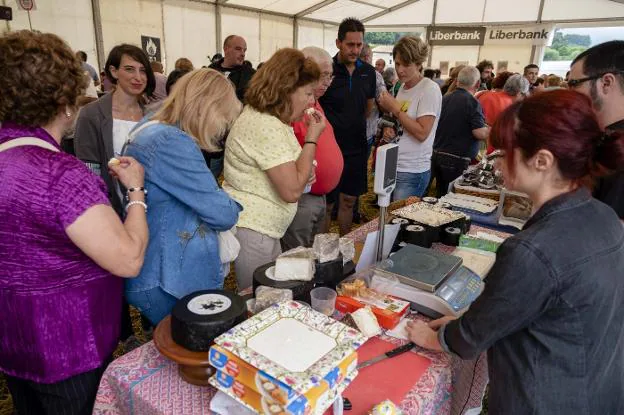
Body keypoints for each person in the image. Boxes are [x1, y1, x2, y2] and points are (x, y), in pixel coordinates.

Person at [406, 89, 624, 414]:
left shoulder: (532, 250)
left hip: (543, 398)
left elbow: (468, 339)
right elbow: (531, 306)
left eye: (506, 151)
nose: (496, 160)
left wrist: (431, 336)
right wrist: (467, 319)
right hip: (597, 388)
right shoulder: (602, 215)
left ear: (542, 161)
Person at [0, 30, 149, 415]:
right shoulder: (59, 174)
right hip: (67, 348)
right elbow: (128, 257)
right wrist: (135, 193)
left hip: (11, 338)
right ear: (66, 102)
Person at [123, 69, 242, 325]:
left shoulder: (149, 125)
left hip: (155, 264)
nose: (222, 127)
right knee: (185, 349)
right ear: (208, 109)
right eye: (223, 116)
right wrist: (231, 202)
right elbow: (222, 214)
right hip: (169, 276)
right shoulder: (172, 141)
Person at [223, 48, 324, 291]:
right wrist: (312, 139)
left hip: (266, 229)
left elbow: (293, 168)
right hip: (255, 231)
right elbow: (291, 191)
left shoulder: (275, 119)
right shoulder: (264, 124)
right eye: (308, 93)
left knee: (272, 292)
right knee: (261, 297)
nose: (311, 101)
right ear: (286, 89)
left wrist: (303, 171)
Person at [75, 44, 155, 216]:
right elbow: (89, 174)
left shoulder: (153, 115)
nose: (138, 77)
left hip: (152, 206)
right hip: (112, 210)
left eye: (143, 71)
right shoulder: (91, 115)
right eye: (129, 69)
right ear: (113, 71)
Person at [281, 47, 344, 250]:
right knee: (297, 254)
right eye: (322, 74)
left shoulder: (315, 102)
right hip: (301, 198)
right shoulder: (290, 107)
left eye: (330, 76)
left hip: (319, 196)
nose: (327, 81)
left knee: (313, 253)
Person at [319, 18, 376, 236]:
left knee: (349, 201)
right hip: (329, 149)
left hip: (357, 148)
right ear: (338, 43)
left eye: (359, 45)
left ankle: (345, 248)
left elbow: (367, 108)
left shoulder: (369, 73)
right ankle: (321, 254)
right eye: (350, 44)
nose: (355, 50)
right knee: (328, 204)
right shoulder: (327, 71)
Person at [377, 35, 442, 200]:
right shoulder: (402, 87)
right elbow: (401, 122)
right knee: (391, 217)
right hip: (395, 164)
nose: (400, 70)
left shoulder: (429, 89)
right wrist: (388, 129)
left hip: (412, 170)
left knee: (399, 220)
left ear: (419, 64)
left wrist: (396, 110)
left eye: (406, 64)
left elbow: (422, 133)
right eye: (397, 63)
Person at [570, 40, 624, 219]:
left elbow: (610, 227)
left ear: (606, 83)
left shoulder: (617, 148)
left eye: (574, 84)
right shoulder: (606, 137)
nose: (569, 94)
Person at [432, 66, 489, 197]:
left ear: (457, 81)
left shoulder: (445, 98)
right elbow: (479, 133)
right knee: (452, 198)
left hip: (437, 154)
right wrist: (490, 130)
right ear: (478, 84)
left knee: (440, 194)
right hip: (457, 159)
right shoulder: (473, 103)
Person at [208, 35, 257, 179]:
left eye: (244, 50)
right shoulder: (210, 72)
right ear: (226, 49)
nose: (242, 53)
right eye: (238, 49)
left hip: (238, 139)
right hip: (212, 140)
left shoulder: (251, 75)